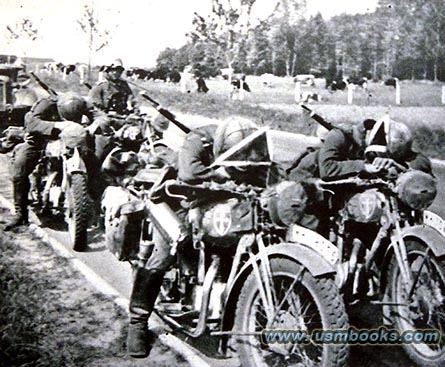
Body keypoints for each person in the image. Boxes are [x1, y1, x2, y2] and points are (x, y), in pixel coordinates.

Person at [126, 117, 260, 358]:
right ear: (222, 145)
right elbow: (188, 173)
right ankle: (137, 322)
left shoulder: (246, 142)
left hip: (215, 203)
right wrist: (219, 175)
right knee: (166, 253)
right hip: (177, 199)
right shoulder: (199, 140)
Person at [5, 93, 93, 231]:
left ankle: (96, 208)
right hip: (40, 140)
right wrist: (59, 124)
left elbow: (99, 115)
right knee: (19, 171)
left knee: (96, 165)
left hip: (70, 141)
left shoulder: (82, 103)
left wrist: (96, 125)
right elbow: (31, 123)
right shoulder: (46, 104)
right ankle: (20, 214)